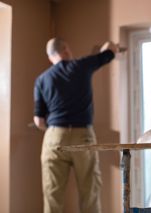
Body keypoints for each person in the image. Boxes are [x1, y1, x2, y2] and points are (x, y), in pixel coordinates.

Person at [33, 37, 119, 213]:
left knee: (52, 194)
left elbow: (39, 121)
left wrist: (54, 129)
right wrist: (111, 46)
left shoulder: (41, 80)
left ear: (50, 57)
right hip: (83, 135)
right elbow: (110, 52)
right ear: (66, 49)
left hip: (54, 136)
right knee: (89, 192)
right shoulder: (81, 65)